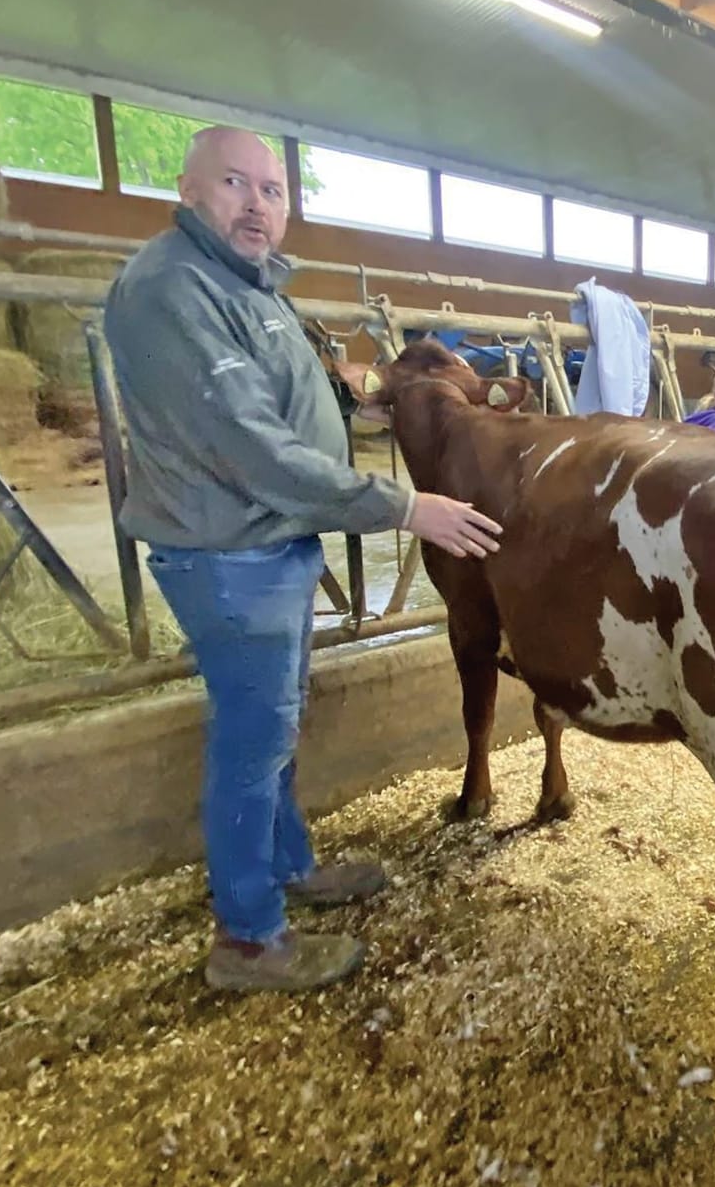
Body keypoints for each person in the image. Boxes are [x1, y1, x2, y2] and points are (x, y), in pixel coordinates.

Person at [106, 127, 504, 993]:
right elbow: (257, 451)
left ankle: (288, 867)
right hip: (226, 552)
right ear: (187, 188)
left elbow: (302, 406)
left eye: (274, 189)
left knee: (277, 727)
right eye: (235, 183)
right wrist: (405, 505)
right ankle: (248, 939)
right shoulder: (173, 291)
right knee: (254, 741)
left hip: (269, 543)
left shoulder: (246, 286)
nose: (258, 204)